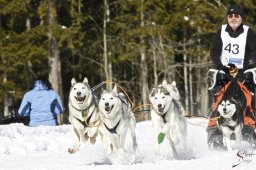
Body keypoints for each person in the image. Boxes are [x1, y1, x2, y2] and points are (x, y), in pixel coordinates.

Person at [207, 4, 256, 149]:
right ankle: (214, 131)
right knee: (219, 100)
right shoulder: (221, 31)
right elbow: (214, 52)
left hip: (243, 72)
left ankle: (248, 126)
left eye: (236, 16)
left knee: (247, 98)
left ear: (241, 18)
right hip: (225, 72)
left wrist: (249, 64)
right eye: (230, 16)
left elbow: (255, 51)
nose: (233, 18)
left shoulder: (249, 32)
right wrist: (221, 66)